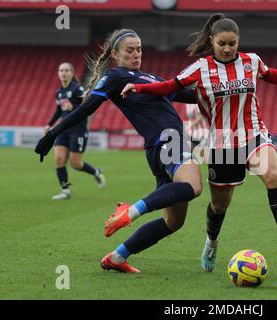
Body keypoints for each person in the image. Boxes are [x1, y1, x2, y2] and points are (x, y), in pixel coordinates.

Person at [120, 13, 277, 272]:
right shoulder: (201, 68)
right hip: (222, 144)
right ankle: (211, 242)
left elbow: (272, 75)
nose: (228, 49)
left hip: (254, 134)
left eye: (232, 43)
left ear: (238, 41)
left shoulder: (252, 61)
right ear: (212, 41)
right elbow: (169, 86)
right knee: (219, 205)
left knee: (272, 176)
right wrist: (139, 88)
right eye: (222, 44)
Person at [35, 29, 202, 273]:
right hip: (170, 141)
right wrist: (52, 134)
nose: (136, 54)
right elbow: (86, 108)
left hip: (159, 149)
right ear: (115, 54)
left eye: (139, 49)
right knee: (194, 186)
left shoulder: (150, 77)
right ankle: (129, 212)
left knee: (174, 222)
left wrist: (223, 90)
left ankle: (117, 257)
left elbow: (190, 96)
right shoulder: (116, 76)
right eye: (130, 50)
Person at [45, 62, 106, 200]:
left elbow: (85, 107)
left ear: (72, 73)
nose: (64, 73)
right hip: (63, 129)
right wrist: (49, 124)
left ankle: (96, 172)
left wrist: (73, 106)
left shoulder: (78, 89)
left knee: (75, 163)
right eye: (61, 70)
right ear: (58, 73)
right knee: (59, 159)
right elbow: (59, 111)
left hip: (78, 130)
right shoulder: (59, 93)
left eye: (66, 70)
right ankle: (65, 190)